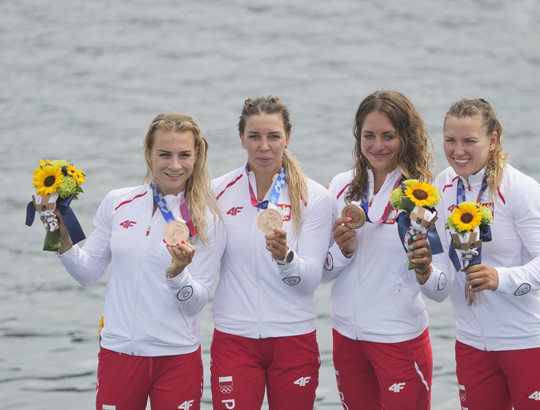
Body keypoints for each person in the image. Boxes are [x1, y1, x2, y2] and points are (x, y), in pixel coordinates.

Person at [53, 113, 225, 410]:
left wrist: (178, 274)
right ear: (148, 154)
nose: (174, 165)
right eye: (164, 154)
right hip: (119, 352)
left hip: (176, 356)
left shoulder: (209, 218)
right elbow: (88, 273)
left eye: (184, 154)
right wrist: (60, 233)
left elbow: (196, 303)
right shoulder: (118, 202)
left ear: (197, 155)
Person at [432, 98, 540, 409]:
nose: (458, 151)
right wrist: (425, 269)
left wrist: (499, 278)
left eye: (470, 141)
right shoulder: (443, 184)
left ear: (493, 140)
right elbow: (442, 261)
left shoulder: (522, 189)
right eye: (450, 140)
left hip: (528, 342)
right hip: (471, 342)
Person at [323, 90, 450, 409]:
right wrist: (343, 252)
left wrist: (424, 270)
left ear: (405, 137)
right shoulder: (339, 186)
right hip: (346, 337)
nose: (378, 146)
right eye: (369, 136)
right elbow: (322, 272)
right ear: (358, 136)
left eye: (388, 136)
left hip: (400, 340)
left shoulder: (427, 195)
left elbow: (441, 290)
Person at [210, 96, 332, 409]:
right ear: (241, 139)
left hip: (293, 337)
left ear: (287, 138)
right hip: (234, 338)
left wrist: (285, 258)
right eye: (254, 137)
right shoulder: (216, 192)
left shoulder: (313, 195)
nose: (264, 146)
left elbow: (310, 280)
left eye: (273, 136)